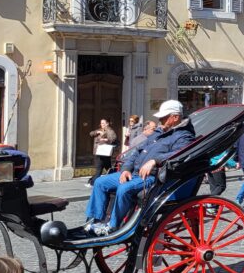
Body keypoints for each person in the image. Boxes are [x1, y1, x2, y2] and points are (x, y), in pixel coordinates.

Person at [83, 100, 195, 236]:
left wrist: (155, 160)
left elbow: (179, 155)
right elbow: (136, 151)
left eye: (164, 117)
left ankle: (113, 226)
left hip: (153, 177)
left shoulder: (184, 136)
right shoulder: (158, 132)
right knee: (100, 182)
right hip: (134, 172)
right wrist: (125, 169)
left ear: (175, 117)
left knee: (124, 189)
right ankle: (95, 221)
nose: (160, 119)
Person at [87, 118, 118, 187]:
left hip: (105, 152)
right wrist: (97, 132)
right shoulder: (99, 130)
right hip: (98, 152)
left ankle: (93, 182)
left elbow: (113, 139)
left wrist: (105, 138)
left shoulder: (110, 131)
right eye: (101, 123)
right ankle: (114, 180)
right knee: (107, 168)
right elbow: (91, 133)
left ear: (107, 123)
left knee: (100, 168)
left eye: (103, 123)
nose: (102, 125)